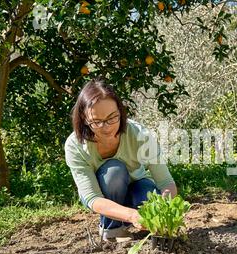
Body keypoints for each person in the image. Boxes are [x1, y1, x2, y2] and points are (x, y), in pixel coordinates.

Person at [64, 79, 177, 242]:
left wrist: (163, 212)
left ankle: (136, 220)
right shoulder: (75, 145)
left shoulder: (140, 135)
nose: (107, 127)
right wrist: (132, 215)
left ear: (121, 111)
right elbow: (92, 197)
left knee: (148, 195)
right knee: (114, 172)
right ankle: (112, 228)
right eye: (97, 122)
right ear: (83, 118)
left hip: (136, 187)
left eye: (112, 118)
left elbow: (166, 182)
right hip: (105, 194)